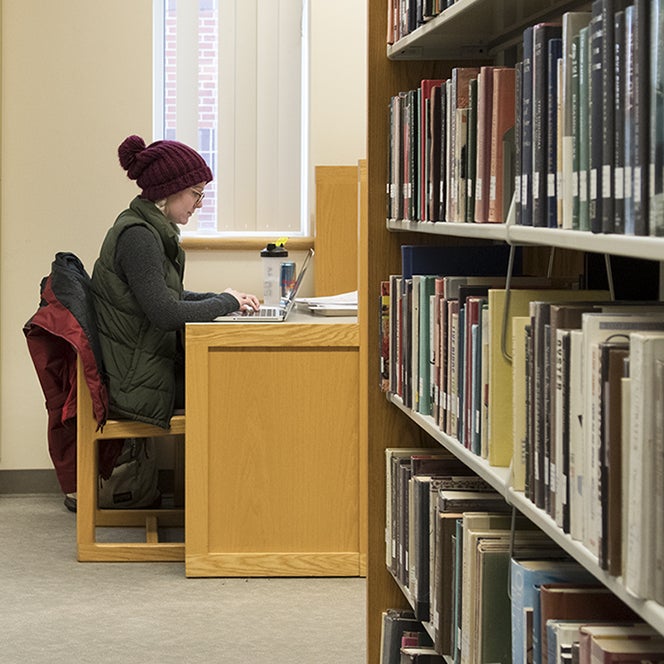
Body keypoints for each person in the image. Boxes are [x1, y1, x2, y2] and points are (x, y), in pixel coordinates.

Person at [92, 134, 260, 431]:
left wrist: (223, 298)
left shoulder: (147, 230)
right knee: (238, 385)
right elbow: (165, 313)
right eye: (196, 193)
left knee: (238, 378)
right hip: (134, 381)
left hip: (140, 368)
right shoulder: (138, 237)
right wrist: (224, 302)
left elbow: (170, 296)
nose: (199, 204)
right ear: (168, 190)